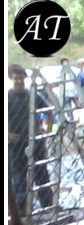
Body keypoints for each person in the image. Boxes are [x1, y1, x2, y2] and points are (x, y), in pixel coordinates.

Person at [8, 64, 55, 215]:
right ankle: (22, 209)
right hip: (16, 144)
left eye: (21, 78)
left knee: (41, 172)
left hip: (35, 141)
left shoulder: (32, 95)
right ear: (11, 79)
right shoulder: (7, 97)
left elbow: (49, 111)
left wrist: (46, 130)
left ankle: (47, 204)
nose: (19, 81)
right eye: (16, 79)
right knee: (19, 176)